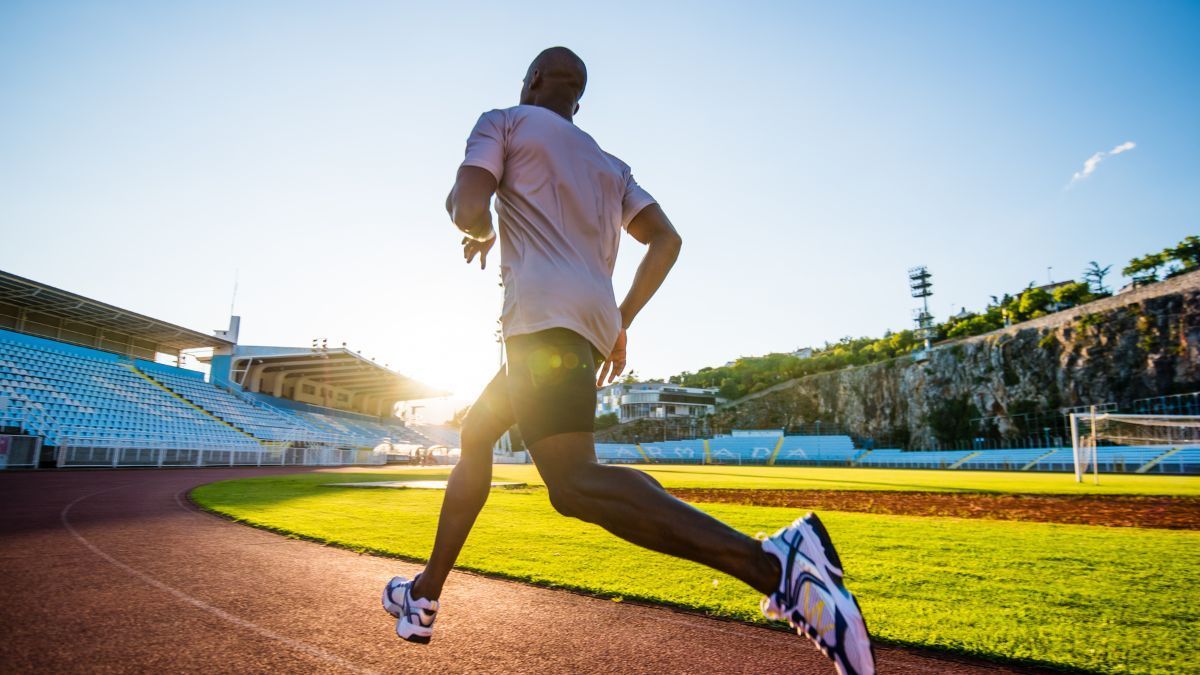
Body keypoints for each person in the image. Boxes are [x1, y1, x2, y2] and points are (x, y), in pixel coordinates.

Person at [382, 47, 874, 675]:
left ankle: (776, 565)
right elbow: (667, 239)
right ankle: (424, 595)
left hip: (540, 323)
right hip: (581, 327)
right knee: (476, 432)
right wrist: (621, 321)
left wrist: (477, 233)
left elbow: (468, 208)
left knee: (573, 483)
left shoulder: (502, 121)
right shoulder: (611, 166)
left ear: (530, 82)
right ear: (578, 99)